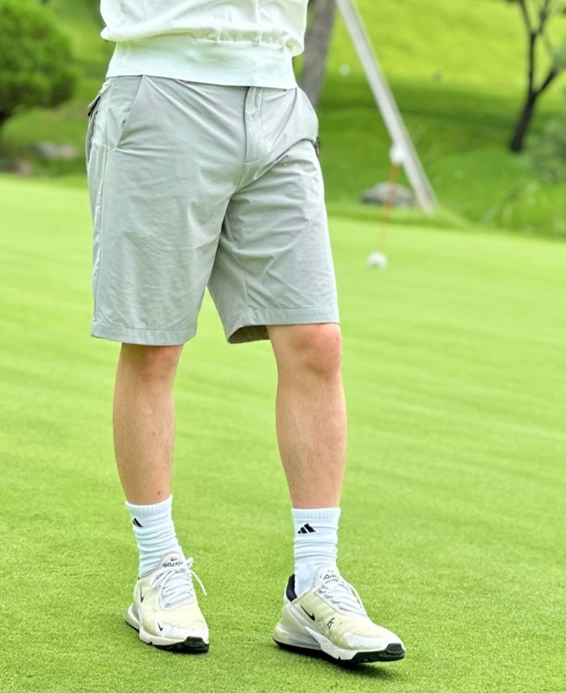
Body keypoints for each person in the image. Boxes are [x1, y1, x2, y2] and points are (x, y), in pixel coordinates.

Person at [86, 0, 405, 664]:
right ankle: (157, 569)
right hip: (163, 81)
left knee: (316, 340)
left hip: (276, 94)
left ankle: (314, 582)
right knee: (154, 344)